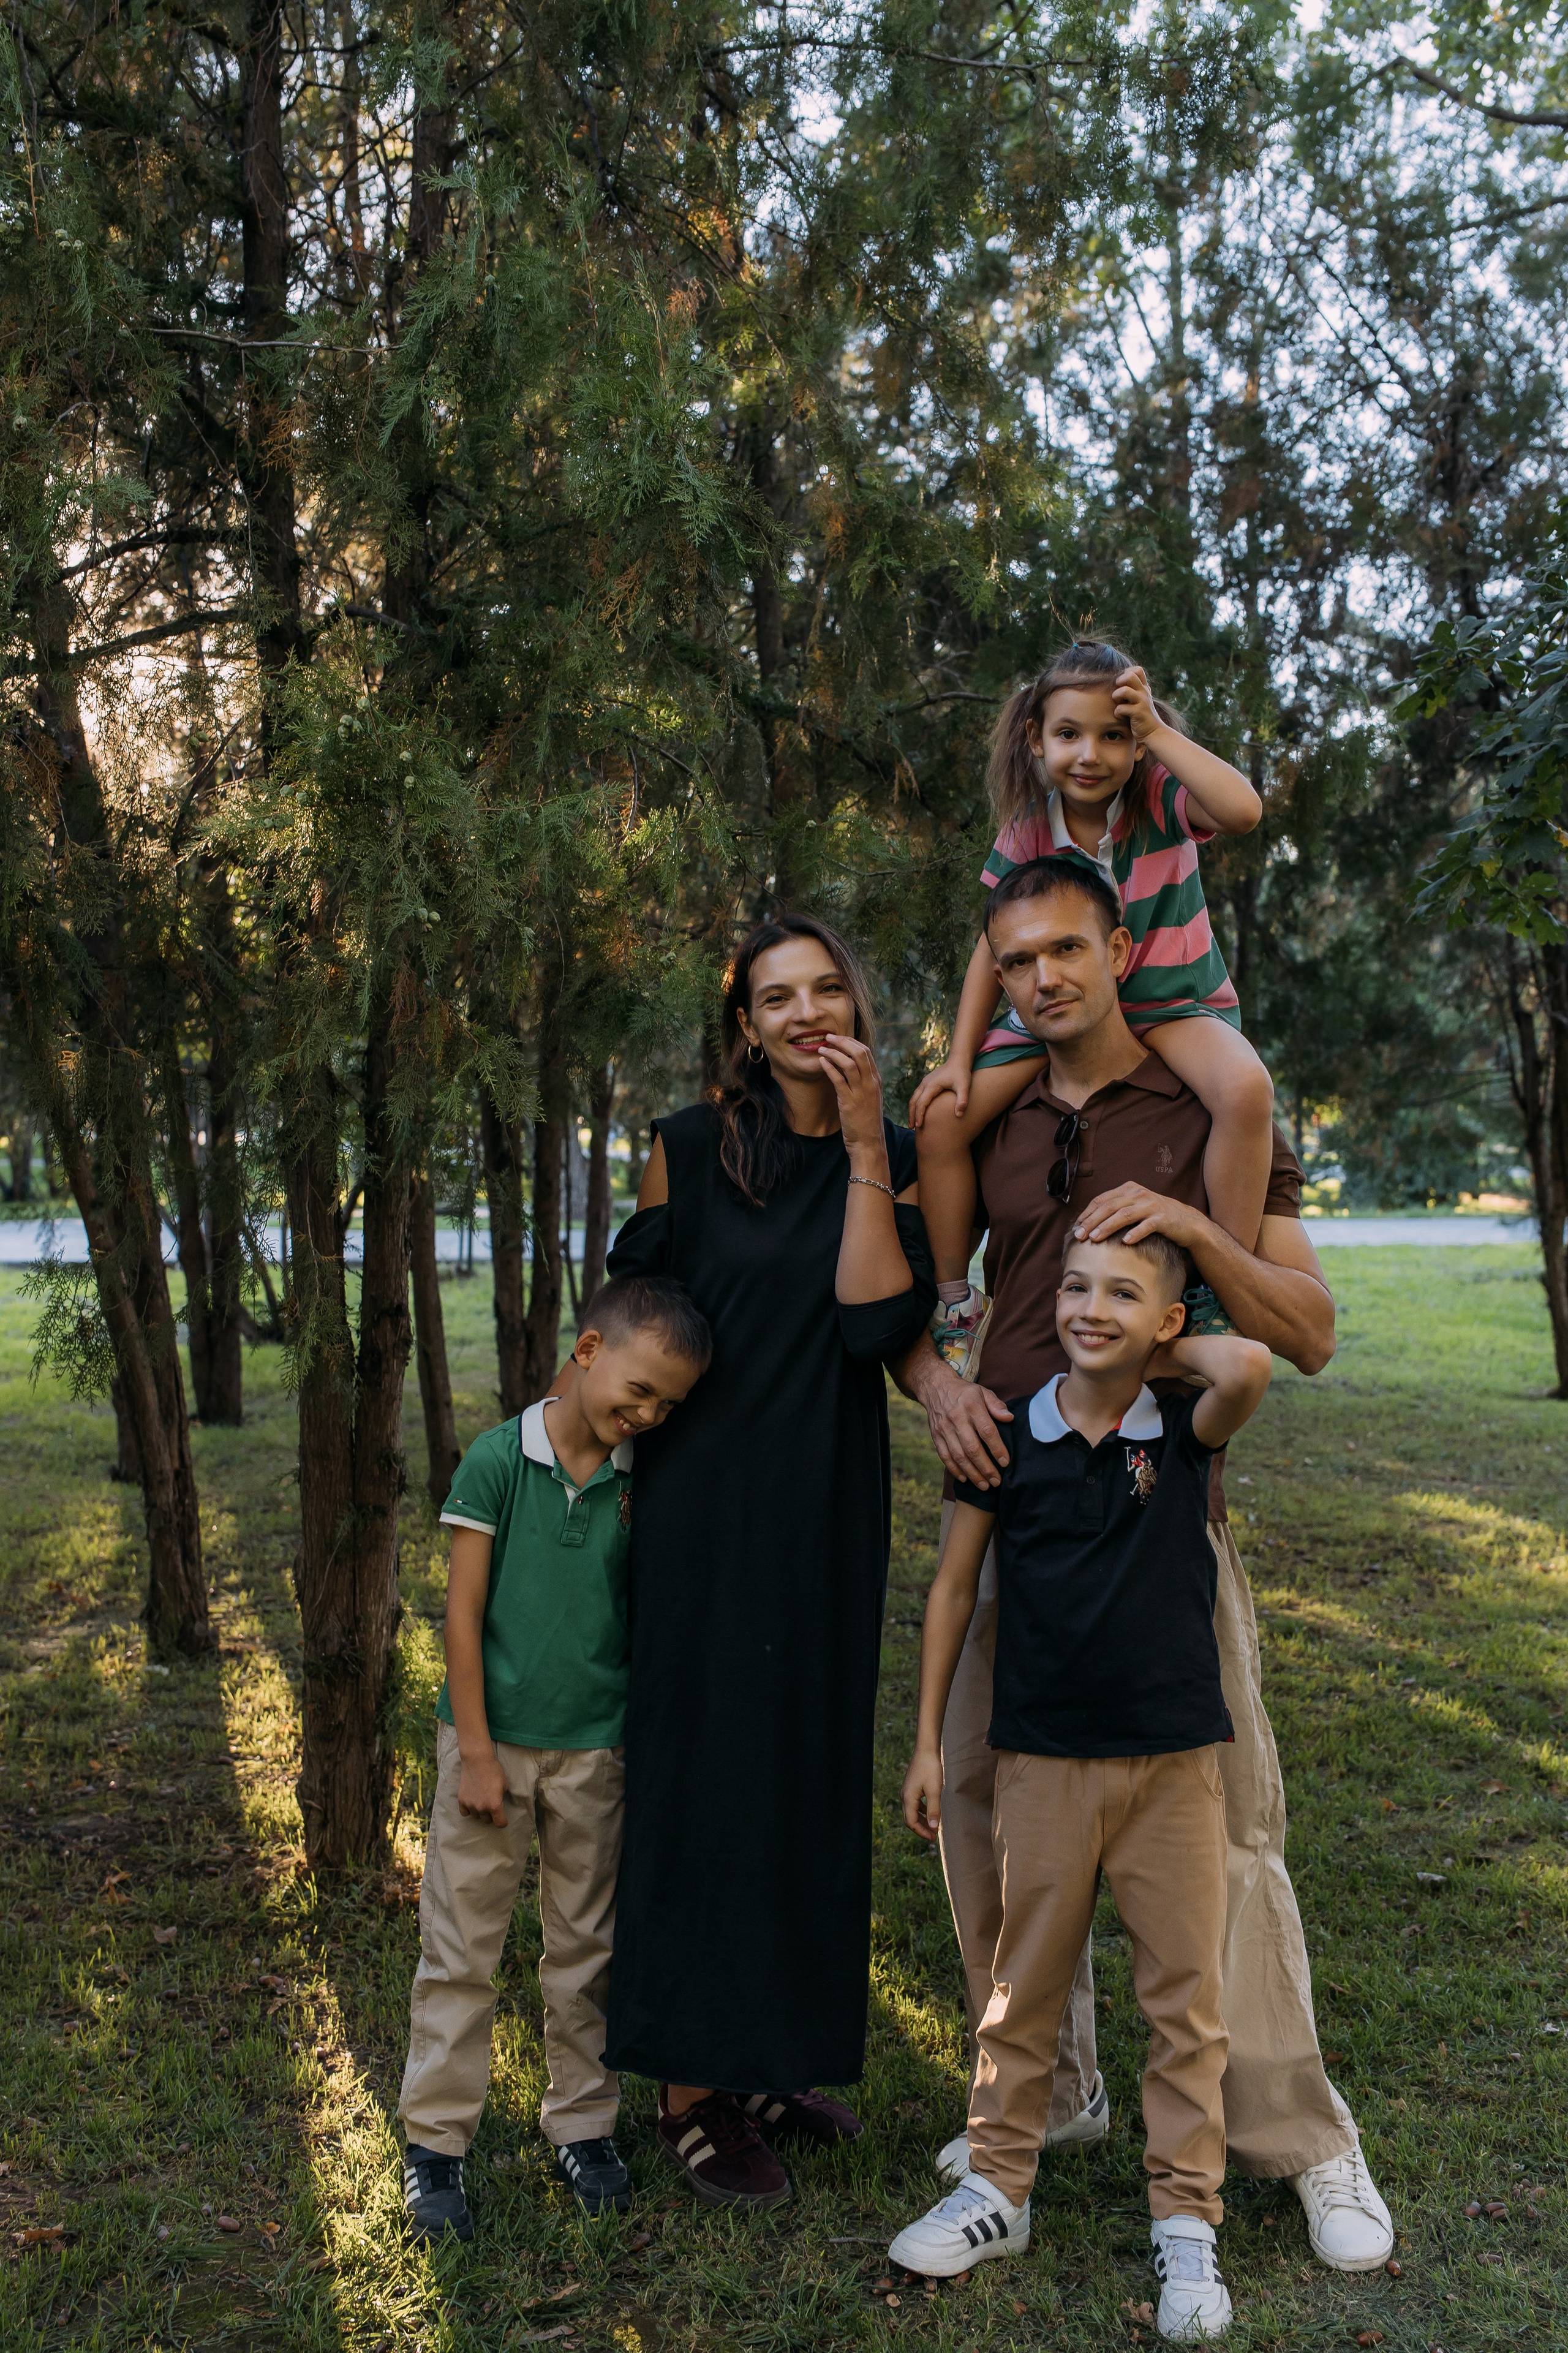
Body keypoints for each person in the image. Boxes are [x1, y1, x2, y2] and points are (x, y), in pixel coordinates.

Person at [891, 853, 1396, 2273]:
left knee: (1222, 1846)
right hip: (1010, 1512)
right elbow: (928, 1297)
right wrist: (935, 1385)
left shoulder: (1206, 1103)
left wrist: (1181, 1236)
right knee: (995, 1825)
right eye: (1016, 957)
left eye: (1068, 946)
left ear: (1120, 944)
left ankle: (1298, 2136)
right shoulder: (989, 1118)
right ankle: (1046, 2099)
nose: (1044, 975)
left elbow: (1302, 1327)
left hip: (1164, 1526)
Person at [600, 913, 936, 2210]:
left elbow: (868, 1326)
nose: (803, 1014)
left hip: (829, 1499)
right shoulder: (684, 1149)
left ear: (856, 998)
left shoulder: (891, 1157)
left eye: (825, 988)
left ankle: (768, 2060)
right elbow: (636, 1323)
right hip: (704, 1504)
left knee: (802, 1770)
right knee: (706, 1779)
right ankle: (689, 2092)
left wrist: (862, 1146)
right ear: (744, 1025)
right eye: (774, 998)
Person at [891, 1228, 1275, 2342]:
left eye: (1122, 1293)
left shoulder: (1186, 1431)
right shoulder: (1008, 1439)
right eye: (1071, 1286)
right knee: (1023, 1990)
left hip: (1172, 1766)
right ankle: (997, 2189)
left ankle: (1187, 2223)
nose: (1087, 1306)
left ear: (1169, 1325)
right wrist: (927, 1741)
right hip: (1043, 1762)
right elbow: (954, 1591)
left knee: (1184, 2002)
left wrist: (1161, 1350)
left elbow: (1245, 1365)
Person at [398, 1275, 713, 2241]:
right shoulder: (498, 1460)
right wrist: (480, 1753)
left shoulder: (637, 1481)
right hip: (489, 1750)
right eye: (640, 1389)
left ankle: (583, 2123)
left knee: (584, 1950)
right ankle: (435, 2142)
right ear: (586, 1351)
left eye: (668, 1404)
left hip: (594, 1752)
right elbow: (461, 1615)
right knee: (463, 1947)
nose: (648, 1413)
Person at [911, 637, 1275, 1370]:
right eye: (1069, 734)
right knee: (941, 1122)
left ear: (1137, 742)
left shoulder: (1162, 798)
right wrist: (957, 1058)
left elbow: (1243, 811)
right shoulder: (1025, 829)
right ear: (1035, 740)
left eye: (1114, 735)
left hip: (1172, 1005)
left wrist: (1159, 735)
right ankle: (955, 1301)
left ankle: (1215, 1284)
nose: (1090, 754)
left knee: (1244, 1088)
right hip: (1057, 1018)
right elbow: (993, 946)